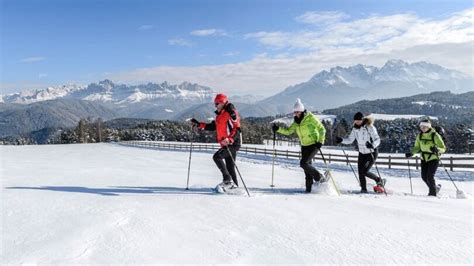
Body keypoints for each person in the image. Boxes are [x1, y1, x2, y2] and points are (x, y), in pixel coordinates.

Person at [272, 98, 326, 193]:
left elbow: (322, 129)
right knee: (307, 170)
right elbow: (288, 131)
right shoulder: (296, 122)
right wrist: (278, 129)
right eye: (294, 112)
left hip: (314, 144)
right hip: (304, 145)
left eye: (297, 112)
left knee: (303, 163)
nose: (295, 114)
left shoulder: (310, 118)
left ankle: (320, 178)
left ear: (301, 111)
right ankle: (308, 190)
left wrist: (320, 141)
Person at [190, 93, 242, 191]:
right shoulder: (220, 116)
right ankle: (234, 188)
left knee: (217, 157)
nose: (215, 105)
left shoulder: (230, 113)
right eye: (215, 103)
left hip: (232, 143)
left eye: (217, 103)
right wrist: (198, 124)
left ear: (223, 103)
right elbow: (213, 126)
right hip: (226, 143)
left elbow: (237, 129)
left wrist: (230, 139)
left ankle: (227, 180)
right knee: (230, 167)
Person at [336, 112, 385, 193]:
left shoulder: (370, 127)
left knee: (364, 171)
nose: (357, 122)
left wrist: (372, 145)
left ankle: (379, 180)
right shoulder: (355, 129)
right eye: (355, 121)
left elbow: (377, 139)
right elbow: (350, 140)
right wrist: (342, 140)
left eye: (359, 121)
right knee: (360, 172)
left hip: (371, 152)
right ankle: (363, 189)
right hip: (362, 153)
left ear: (362, 120)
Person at [405, 119, 446, 196]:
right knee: (424, 177)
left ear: (428, 127)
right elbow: (417, 147)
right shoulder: (419, 136)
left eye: (424, 126)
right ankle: (434, 188)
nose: (422, 128)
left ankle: (432, 194)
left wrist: (437, 149)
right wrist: (411, 153)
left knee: (430, 176)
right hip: (424, 158)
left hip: (434, 158)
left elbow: (443, 148)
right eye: (421, 126)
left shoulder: (435, 135)